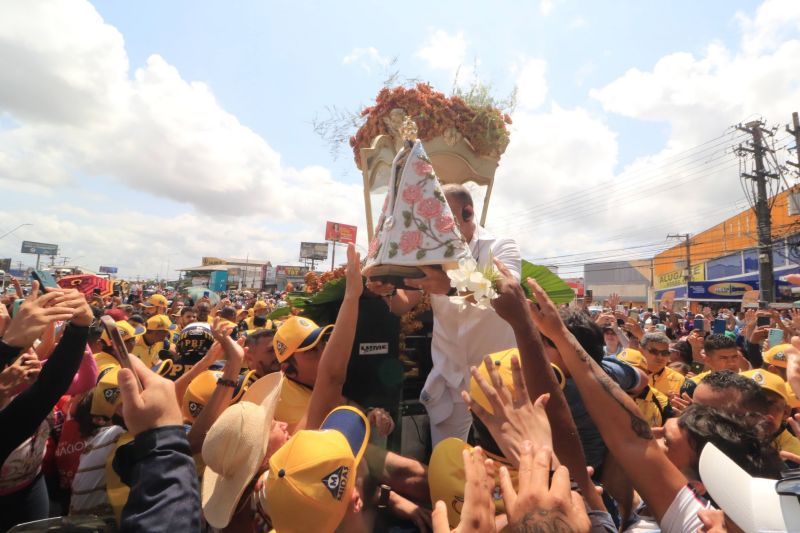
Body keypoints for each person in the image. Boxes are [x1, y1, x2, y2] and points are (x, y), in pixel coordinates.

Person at [368, 184, 521, 445]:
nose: (434, 228)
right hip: (451, 377)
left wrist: (450, 286)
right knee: (445, 458)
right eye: (430, 220)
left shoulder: (500, 246)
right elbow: (402, 305)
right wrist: (386, 290)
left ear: (468, 213)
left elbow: (505, 295)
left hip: (497, 377)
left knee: (503, 457)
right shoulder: (430, 255)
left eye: (442, 219)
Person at [640, 331, 686, 397]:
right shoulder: (631, 374)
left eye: (664, 353)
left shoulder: (679, 379)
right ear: (641, 351)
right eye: (654, 351)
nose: (660, 357)